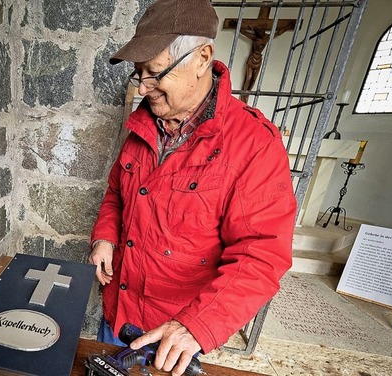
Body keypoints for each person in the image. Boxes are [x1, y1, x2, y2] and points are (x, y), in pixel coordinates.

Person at [88, 1, 297, 375]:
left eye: (154, 72)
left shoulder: (253, 144)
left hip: (174, 335)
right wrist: (105, 236)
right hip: (118, 312)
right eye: (139, 74)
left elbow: (261, 256)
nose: (143, 88)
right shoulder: (142, 128)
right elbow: (117, 193)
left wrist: (193, 328)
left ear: (201, 58)